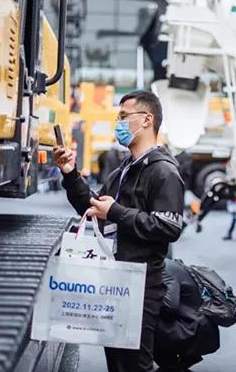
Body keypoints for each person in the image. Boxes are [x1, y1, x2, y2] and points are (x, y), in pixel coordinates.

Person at [53, 90, 185, 372]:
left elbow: (168, 227)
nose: (118, 123)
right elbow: (93, 208)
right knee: (118, 364)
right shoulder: (124, 170)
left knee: (136, 365)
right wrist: (70, 173)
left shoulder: (163, 172)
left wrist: (115, 212)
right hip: (115, 281)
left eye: (124, 116)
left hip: (142, 284)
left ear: (147, 120)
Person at [154, 259, 220, 372]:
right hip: (195, 325)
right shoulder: (166, 265)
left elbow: (170, 305)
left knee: (143, 321)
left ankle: (171, 365)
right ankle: (172, 365)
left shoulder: (165, 269)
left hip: (193, 328)